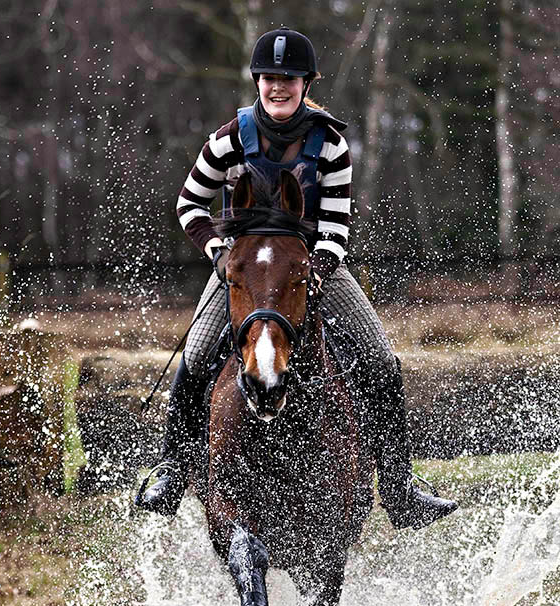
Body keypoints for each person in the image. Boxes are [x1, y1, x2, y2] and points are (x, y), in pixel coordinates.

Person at [136, 26, 457, 530]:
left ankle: (399, 487)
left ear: (307, 83)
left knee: (380, 359)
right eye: (268, 77)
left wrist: (317, 272)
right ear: (258, 81)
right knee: (197, 355)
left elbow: (334, 225)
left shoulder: (329, 146)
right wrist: (220, 256)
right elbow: (189, 205)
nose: (277, 86)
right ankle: (174, 469)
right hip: (242, 268)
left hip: (310, 267)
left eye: (288, 78)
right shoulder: (225, 141)